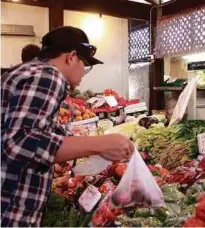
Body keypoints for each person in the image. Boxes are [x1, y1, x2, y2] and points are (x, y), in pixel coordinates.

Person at [1, 26, 135, 227]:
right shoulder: (48, 75)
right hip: (10, 208)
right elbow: (20, 142)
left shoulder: (27, 72)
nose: (84, 72)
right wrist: (100, 143)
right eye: (86, 64)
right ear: (71, 57)